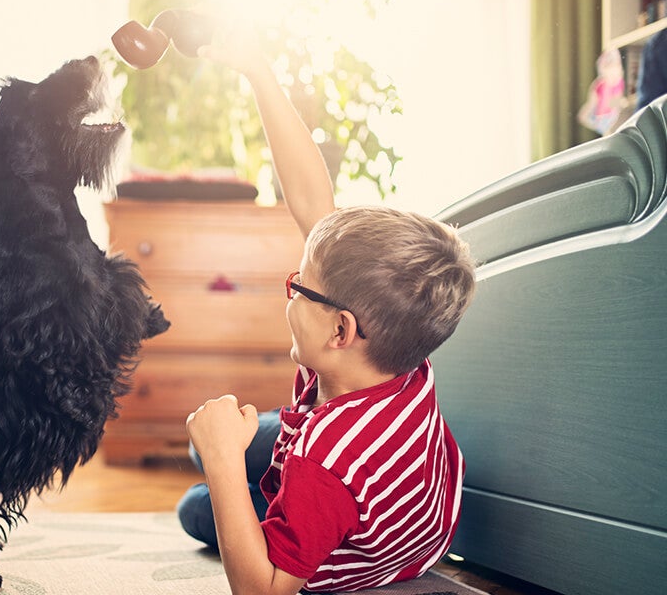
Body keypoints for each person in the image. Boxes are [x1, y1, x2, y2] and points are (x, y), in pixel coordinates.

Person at [176, 29, 477, 594]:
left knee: (197, 502)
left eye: (299, 288)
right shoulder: (398, 345)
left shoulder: (325, 462)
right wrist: (258, 71)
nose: (289, 295)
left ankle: (219, 464)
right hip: (403, 510)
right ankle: (223, 456)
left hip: (341, 491)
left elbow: (263, 589)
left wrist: (222, 462)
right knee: (213, 444)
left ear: (341, 330)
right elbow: (316, 208)